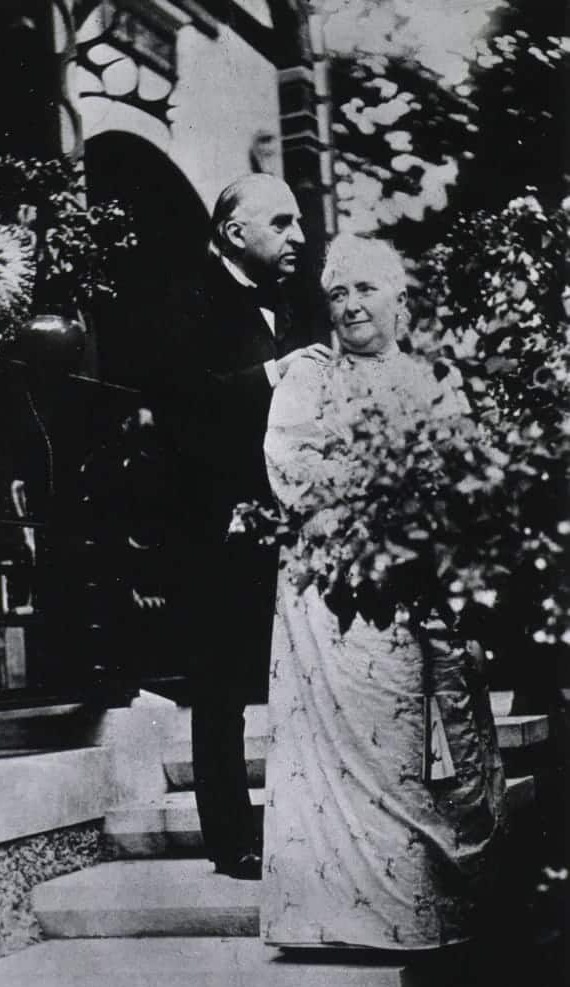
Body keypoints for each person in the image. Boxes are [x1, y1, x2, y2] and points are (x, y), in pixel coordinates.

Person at [261, 234, 507, 948]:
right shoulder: (308, 376)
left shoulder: (435, 381)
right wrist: (384, 492)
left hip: (424, 584)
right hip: (338, 591)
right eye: (336, 293)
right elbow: (290, 467)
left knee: (445, 744)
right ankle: (348, 921)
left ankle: (439, 915)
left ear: (398, 299)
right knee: (365, 743)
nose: (349, 305)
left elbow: (469, 480)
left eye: (364, 289)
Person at [156, 173, 329, 880]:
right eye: (283, 224)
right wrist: (272, 374)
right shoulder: (184, 300)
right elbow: (176, 403)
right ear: (235, 233)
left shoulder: (295, 305)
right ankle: (231, 840)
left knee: (305, 676)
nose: (299, 237)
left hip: (294, 524)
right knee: (221, 689)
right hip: (215, 525)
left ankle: (311, 824)